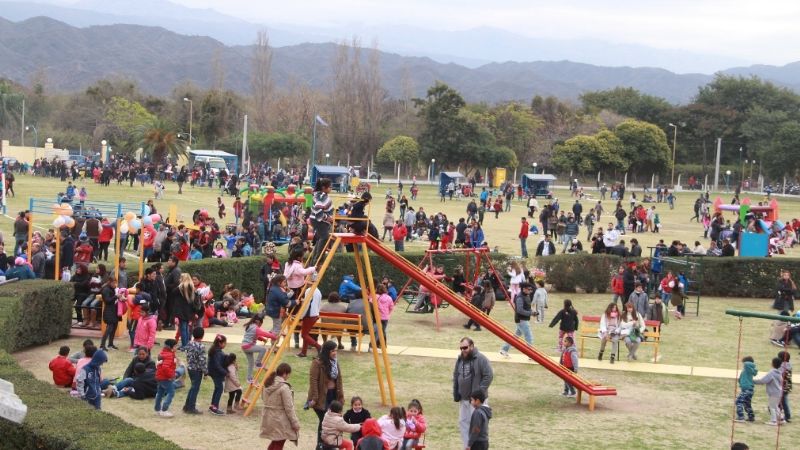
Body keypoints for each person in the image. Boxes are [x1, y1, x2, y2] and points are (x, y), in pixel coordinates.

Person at [453, 337, 493, 448]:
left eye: (465, 347)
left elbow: (489, 375)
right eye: (461, 348)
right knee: (463, 423)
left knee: (476, 425)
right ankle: (467, 446)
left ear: (472, 346)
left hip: (476, 401)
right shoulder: (460, 360)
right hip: (464, 399)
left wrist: (478, 393)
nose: (463, 350)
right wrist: (456, 393)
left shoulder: (481, 359)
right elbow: (456, 376)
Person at [309, 340, 345, 447]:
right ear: (327, 351)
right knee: (324, 420)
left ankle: (328, 445)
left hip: (333, 395)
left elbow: (339, 379)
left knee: (329, 421)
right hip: (321, 397)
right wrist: (315, 398)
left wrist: (341, 396)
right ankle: (320, 445)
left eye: (336, 350)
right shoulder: (317, 363)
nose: (335, 353)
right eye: (332, 351)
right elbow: (313, 381)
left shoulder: (335, 362)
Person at [499, 282, 535, 357]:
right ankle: (531, 355)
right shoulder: (520, 298)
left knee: (515, 337)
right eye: (529, 289)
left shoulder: (526, 296)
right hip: (521, 320)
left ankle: (504, 349)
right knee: (529, 336)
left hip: (523, 319)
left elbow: (527, 307)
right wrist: (530, 313)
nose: (530, 291)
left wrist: (532, 312)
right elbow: (519, 310)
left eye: (531, 289)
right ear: (524, 289)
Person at [754, 357, 785, 425]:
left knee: (772, 407)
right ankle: (781, 419)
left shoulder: (771, 373)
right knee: (775, 406)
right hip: (779, 392)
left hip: (773, 393)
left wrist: (753, 381)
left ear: (772, 364)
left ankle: (773, 421)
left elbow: (763, 381)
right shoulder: (779, 372)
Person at [183, 326, 207, 414]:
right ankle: (191, 408)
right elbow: (202, 361)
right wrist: (206, 372)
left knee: (193, 387)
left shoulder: (189, 343)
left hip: (190, 368)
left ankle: (187, 406)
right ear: (202, 336)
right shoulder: (201, 346)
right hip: (197, 370)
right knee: (195, 389)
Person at [311, 178, 334, 262]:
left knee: (320, 238)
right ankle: (318, 260)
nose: (331, 188)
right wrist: (327, 218)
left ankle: (314, 260)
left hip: (318, 220)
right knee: (324, 237)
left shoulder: (320, 195)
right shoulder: (321, 196)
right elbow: (318, 209)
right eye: (330, 187)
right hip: (319, 220)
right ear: (324, 188)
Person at [154, 338, 178, 418]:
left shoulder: (163, 353)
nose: (176, 348)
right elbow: (165, 367)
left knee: (160, 393)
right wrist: (171, 375)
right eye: (175, 346)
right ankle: (164, 410)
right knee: (171, 392)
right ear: (171, 347)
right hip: (165, 378)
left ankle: (157, 409)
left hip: (159, 377)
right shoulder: (169, 355)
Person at [207, 334, 228, 415]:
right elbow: (217, 365)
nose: (225, 345)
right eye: (224, 343)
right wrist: (225, 372)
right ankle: (214, 407)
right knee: (219, 389)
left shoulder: (215, 350)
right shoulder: (217, 352)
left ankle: (212, 405)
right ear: (220, 343)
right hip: (216, 373)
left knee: (217, 388)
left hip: (214, 372)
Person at [99, 277, 119, 351]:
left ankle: (110, 344)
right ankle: (102, 345)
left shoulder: (112, 289)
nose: (115, 284)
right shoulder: (105, 289)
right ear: (109, 282)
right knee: (109, 329)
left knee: (114, 328)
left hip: (114, 310)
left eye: (116, 283)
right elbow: (107, 300)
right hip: (109, 311)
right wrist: (116, 296)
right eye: (114, 283)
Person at [778, 351, 792, 423]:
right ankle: (783, 415)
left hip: (783, 387)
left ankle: (787, 416)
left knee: (783, 402)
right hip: (788, 386)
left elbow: (779, 375)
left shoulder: (782, 367)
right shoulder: (789, 365)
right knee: (783, 401)